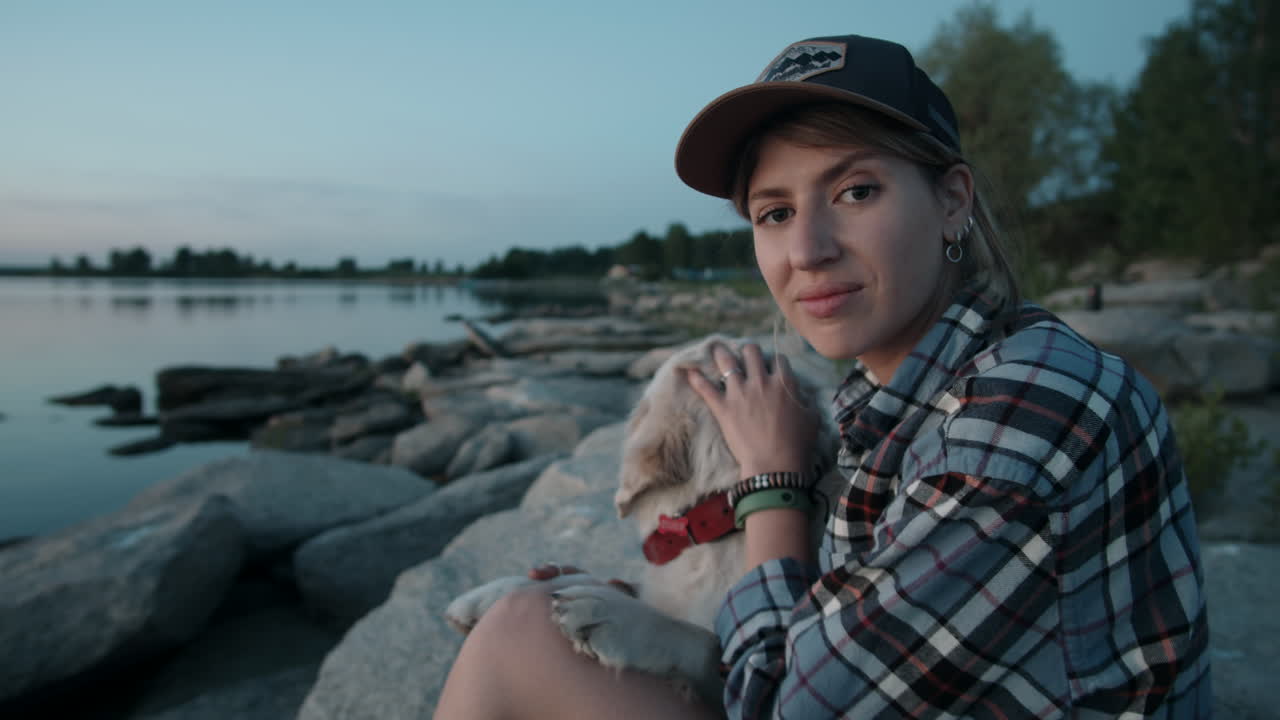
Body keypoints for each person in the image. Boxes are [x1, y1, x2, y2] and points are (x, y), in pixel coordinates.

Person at [435, 33, 1211, 719]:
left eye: (855, 191)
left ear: (952, 202)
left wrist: (772, 484)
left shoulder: (1019, 421)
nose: (807, 250)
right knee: (537, 620)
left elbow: (787, 704)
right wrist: (649, 609)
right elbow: (841, 614)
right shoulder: (937, 382)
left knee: (518, 640)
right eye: (774, 212)